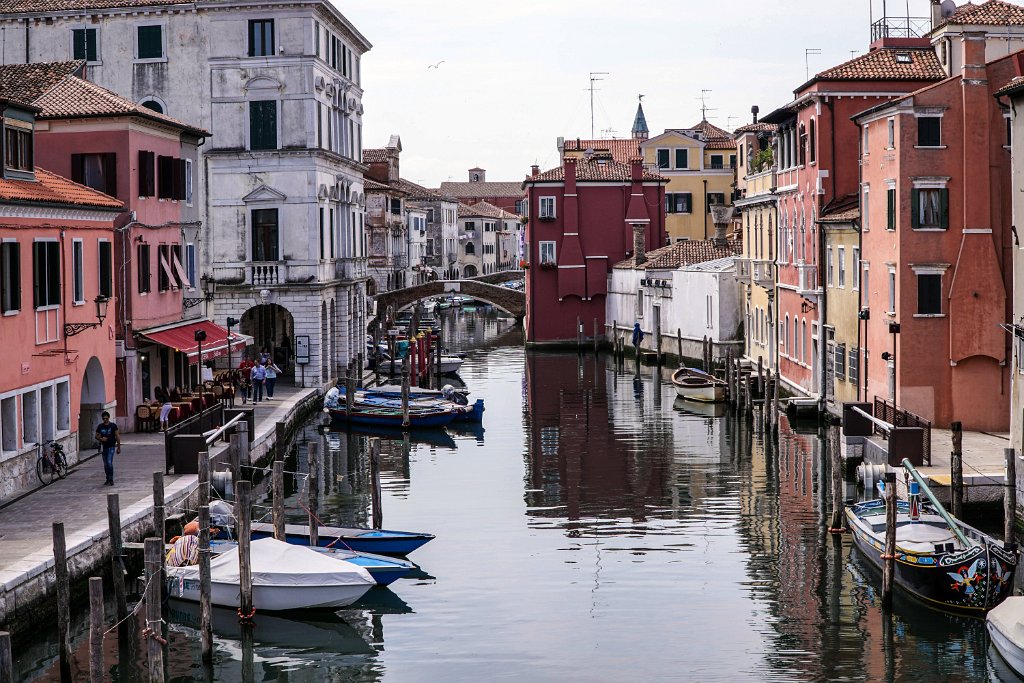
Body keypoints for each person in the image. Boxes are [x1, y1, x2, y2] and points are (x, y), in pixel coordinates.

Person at [95, 411, 120, 486]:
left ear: (108, 418)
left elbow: (117, 436)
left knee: (109, 462)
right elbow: (96, 436)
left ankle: (111, 478)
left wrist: (118, 447)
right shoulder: (100, 426)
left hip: (111, 446)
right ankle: (107, 478)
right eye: (103, 418)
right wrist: (101, 439)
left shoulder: (113, 426)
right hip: (104, 447)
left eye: (106, 418)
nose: (105, 420)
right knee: (105, 464)